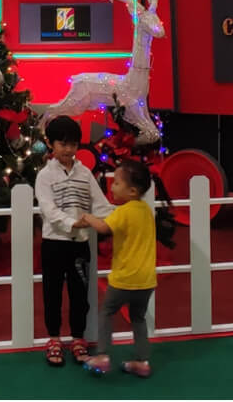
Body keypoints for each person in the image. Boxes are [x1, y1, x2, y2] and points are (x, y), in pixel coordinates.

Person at [35, 115, 113, 367]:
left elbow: (100, 204)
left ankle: (78, 338)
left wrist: (115, 220)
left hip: (79, 245)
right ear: (51, 144)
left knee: (80, 295)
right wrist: (73, 223)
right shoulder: (44, 176)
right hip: (54, 243)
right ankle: (54, 339)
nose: (68, 150)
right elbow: (48, 209)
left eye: (73, 144)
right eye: (63, 144)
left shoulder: (85, 173)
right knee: (52, 293)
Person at [79, 158, 157, 378]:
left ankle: (102, 355)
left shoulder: (123, 212)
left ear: (132, 191)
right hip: (147, 279)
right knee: (138, 319)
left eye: (116, 183)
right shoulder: (145, 211)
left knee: (107, 312)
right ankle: (142, 361)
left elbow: (104, 227)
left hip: (124, 278)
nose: (112, 187)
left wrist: (88, 217)